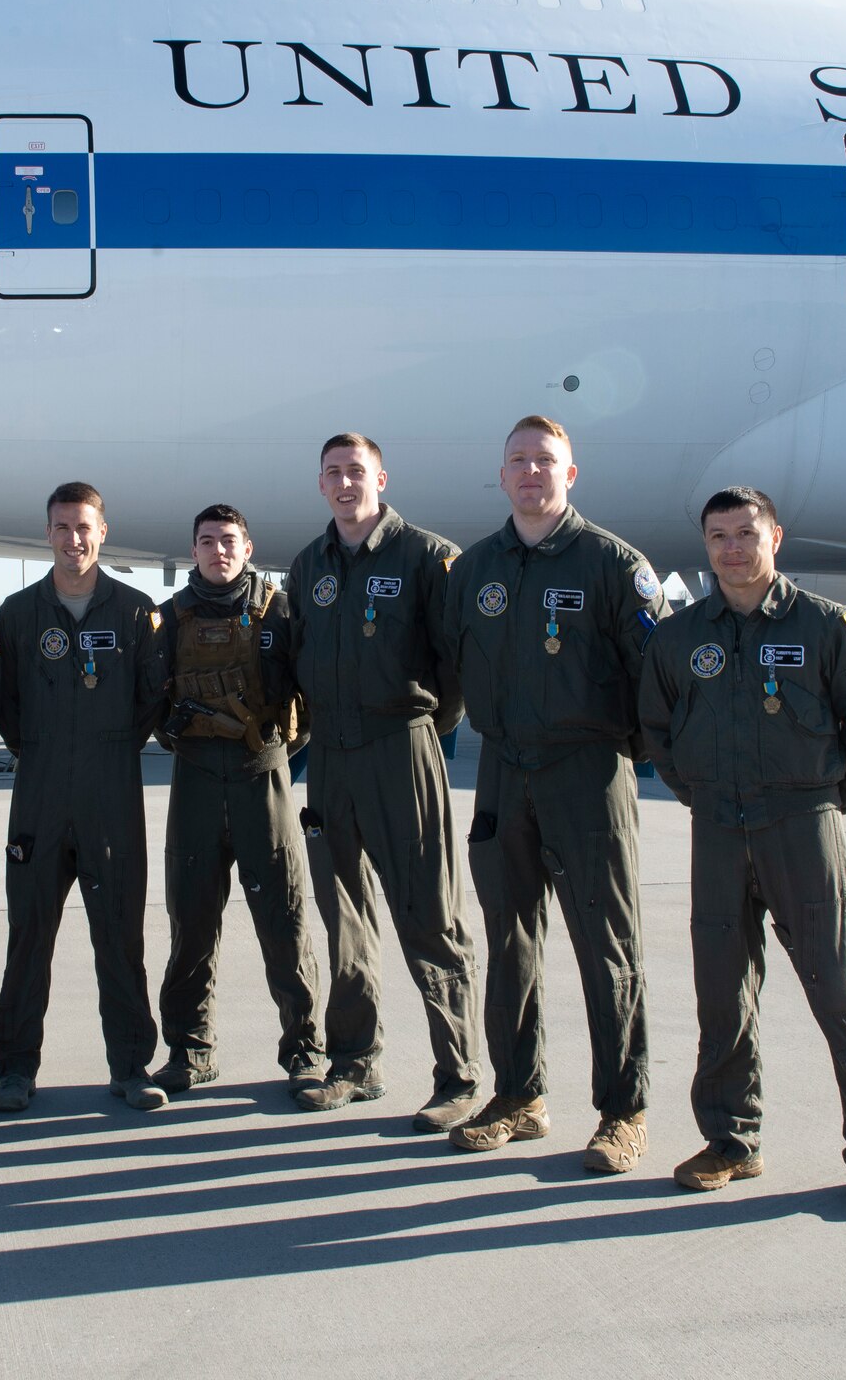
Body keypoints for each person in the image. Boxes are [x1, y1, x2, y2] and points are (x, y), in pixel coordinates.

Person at [639, 486, 846, 1212]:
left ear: (775, 537)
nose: (733, 547)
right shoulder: (681, 637)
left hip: (801, 827)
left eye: (746, 533)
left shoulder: (827, 626)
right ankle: (731, 1141)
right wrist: (701, 791)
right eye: (719, 536)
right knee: (722, 994)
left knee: (839, 989)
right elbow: (657, 731)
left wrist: (826, 800)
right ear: (706, 546)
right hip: (718, 831)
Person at [438, 417, 668, 1170]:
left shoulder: (612, 565)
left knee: (607, 948)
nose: (531, 472)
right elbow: (445, 668)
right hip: (503, 774)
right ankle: (518, 1096)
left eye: (545, 461)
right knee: (508, 943)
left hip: (587, 775)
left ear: (571, 475)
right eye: (518, 461)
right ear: (500, 476)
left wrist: (617, 754)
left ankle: (623, 1110)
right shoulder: (473, 572)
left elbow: (657, 679)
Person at [286, 433, 483, 1128]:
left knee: (429, 915)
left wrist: (423, 726)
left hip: (403, 746)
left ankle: (458, 1074)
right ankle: (354, 1063)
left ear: (381, 478)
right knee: (344, 918)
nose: (345, 483)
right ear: (321, 484)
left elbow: (455, 665)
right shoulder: (308, 565)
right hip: (332, 757)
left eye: (357, 472)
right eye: (333, 473)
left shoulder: (428, 556)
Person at [0, 482, 168, 1112]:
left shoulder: (135, 611)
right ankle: (15, 1069)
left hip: (111, 796)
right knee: (27, 936)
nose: (74, 540)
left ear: (102, 530)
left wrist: (108, 744)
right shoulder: (16, 615)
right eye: (62, 528)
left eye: (84, 527)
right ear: (48, 534)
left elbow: (152, 697)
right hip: (37, 796)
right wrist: (40, 745)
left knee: (120, 937)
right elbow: (3, 702)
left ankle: (130, 1066)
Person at [151, 504, 323, 1096]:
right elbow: (155, 705)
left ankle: (304, 1050)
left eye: (229, 541)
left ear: (247, 548)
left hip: (263, 781)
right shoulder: (169, 619)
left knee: (285, 920)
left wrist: (268, 748)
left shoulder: (281, 614)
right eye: (206, 541)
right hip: (195, 782)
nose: (218, 551)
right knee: (191, 923)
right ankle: (189, 1051)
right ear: (193, 550)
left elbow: (309, 701)